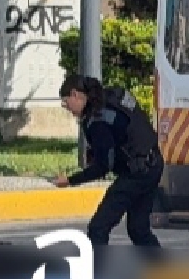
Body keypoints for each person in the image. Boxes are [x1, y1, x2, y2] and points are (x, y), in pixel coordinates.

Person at [55, 74, 163, 255]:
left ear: (75, 95)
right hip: (154, 163)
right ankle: (161, 272)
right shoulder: (110, 98)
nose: (68, 109)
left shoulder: (97, 119)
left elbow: (103, 166)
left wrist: (70, 180)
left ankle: (99, 277)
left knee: (98, 228)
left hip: (136, 172)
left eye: (66, 103)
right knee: (138, 229)